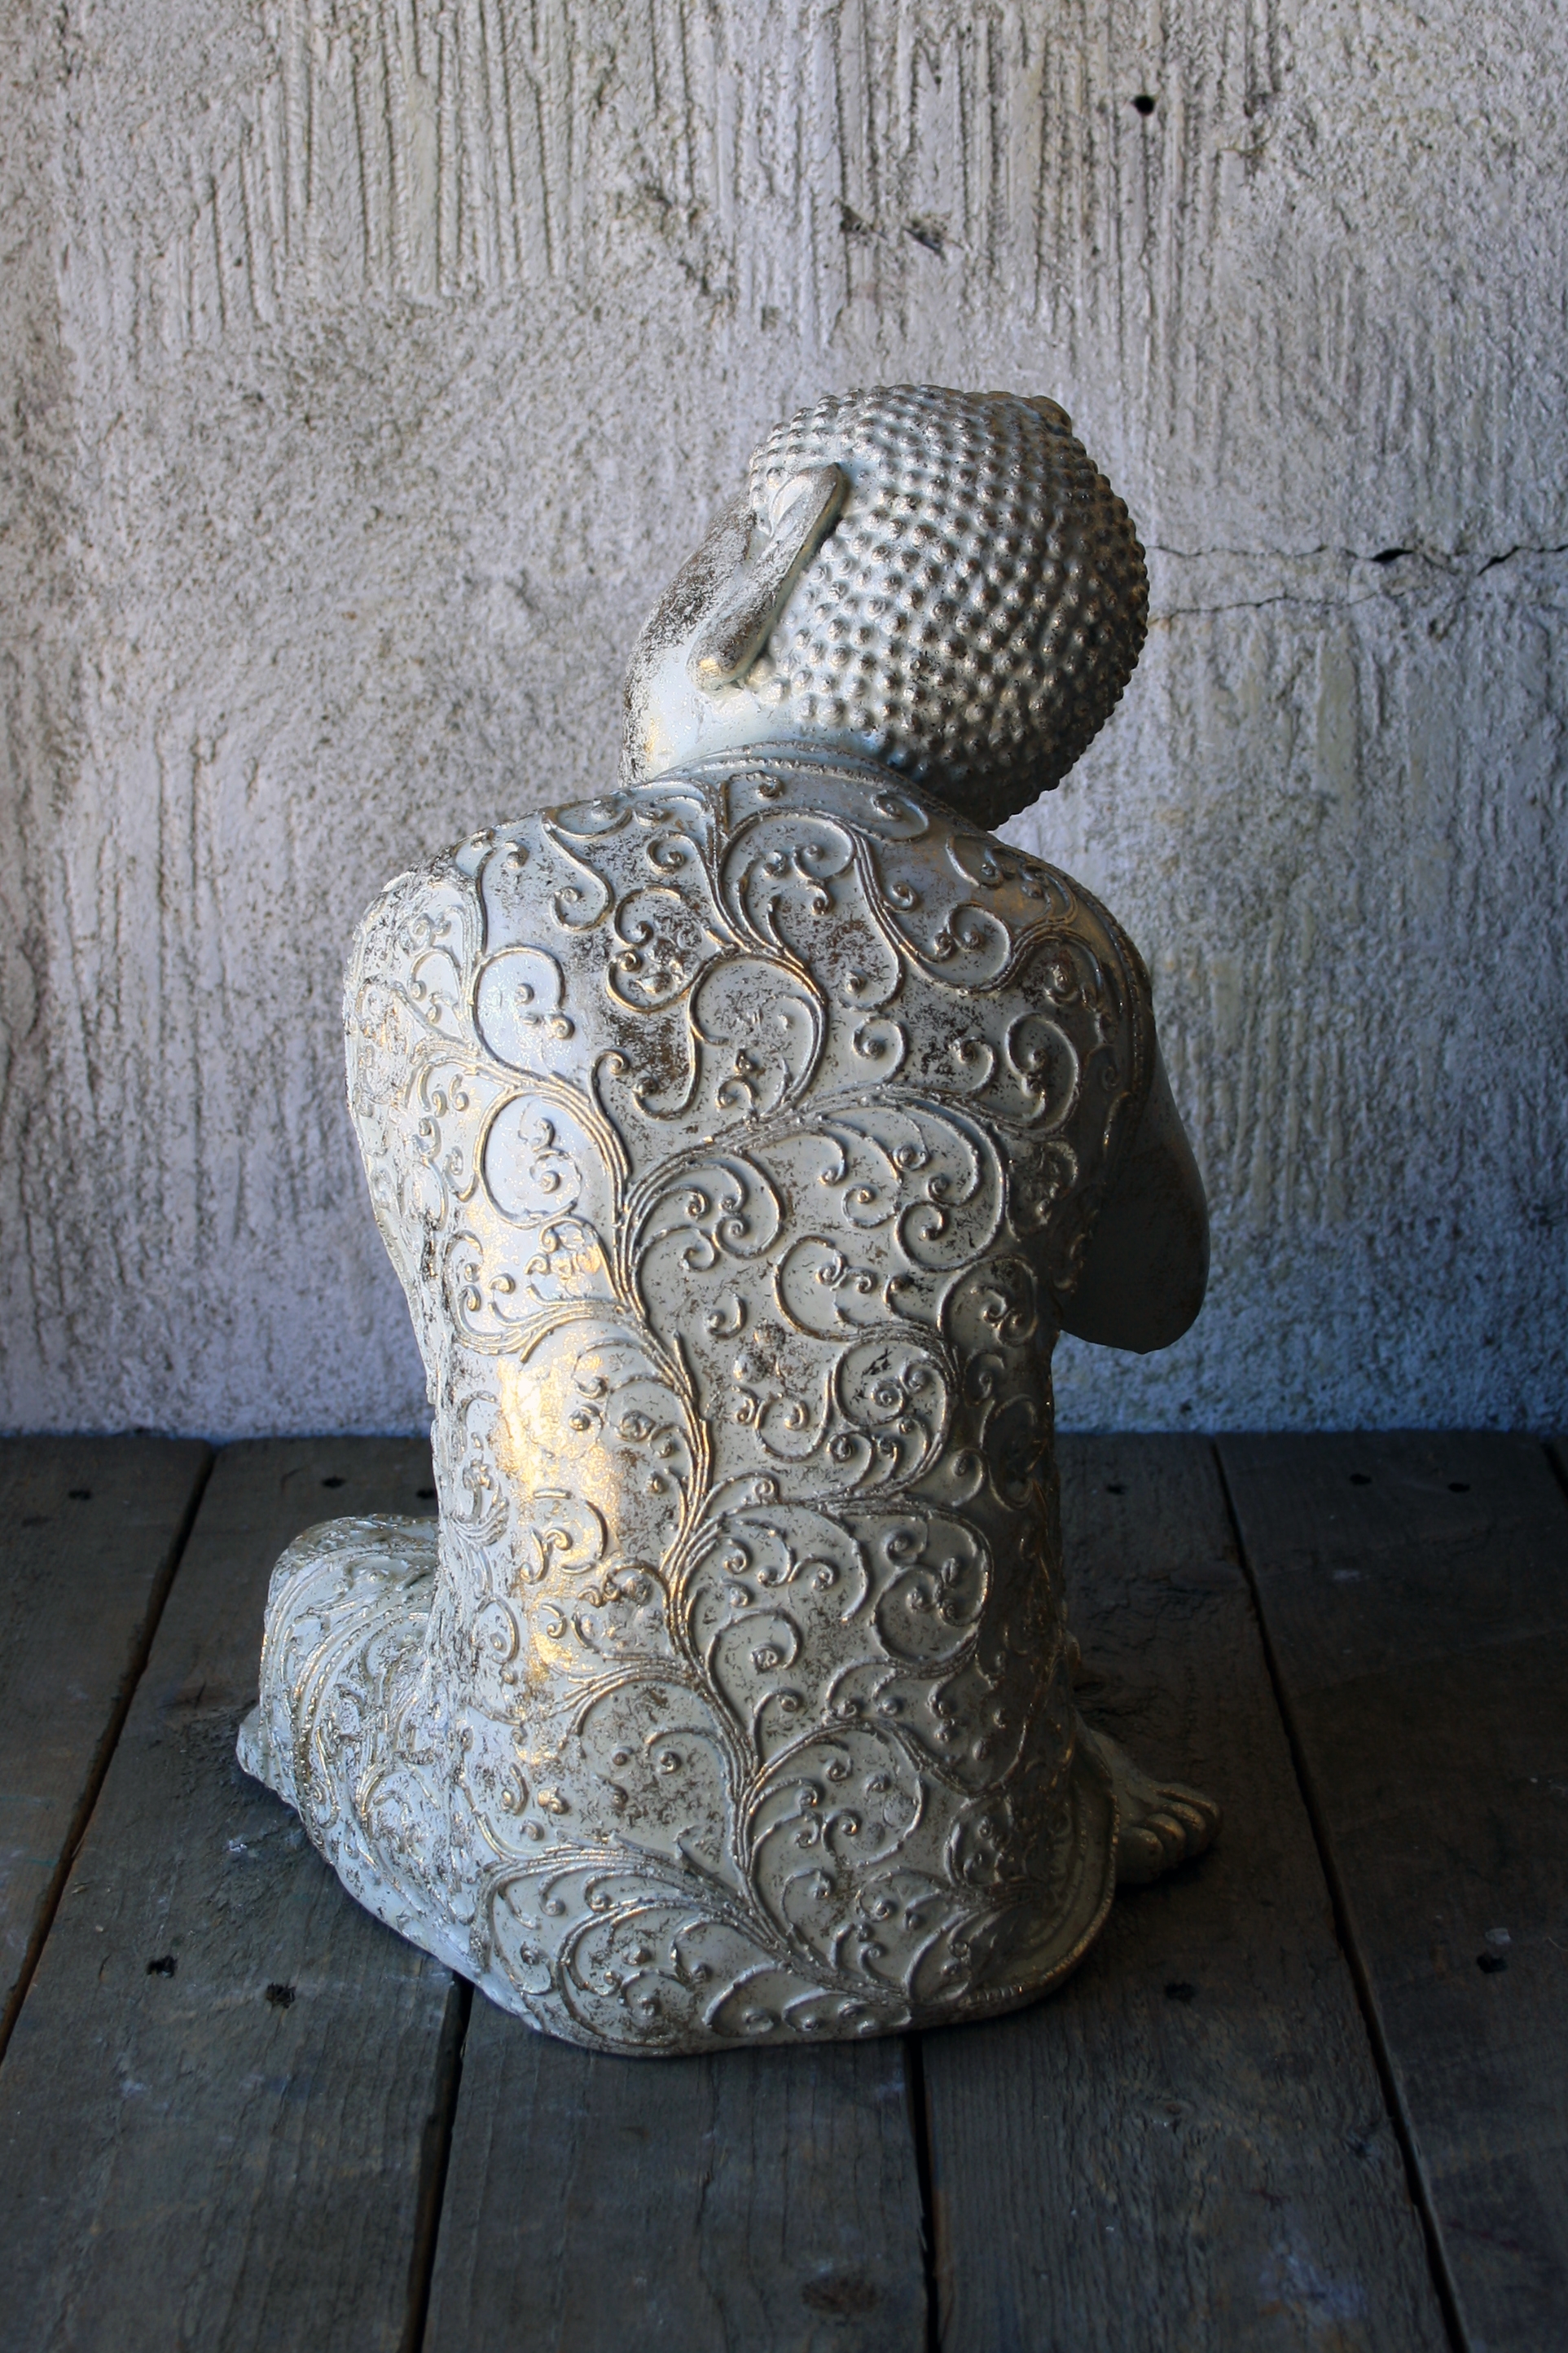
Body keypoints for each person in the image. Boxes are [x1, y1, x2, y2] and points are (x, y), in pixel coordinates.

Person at [240, 386, 1217, 2052]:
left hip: (559, 1896)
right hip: (971, 1892)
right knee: (950, 1580)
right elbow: (1154, 1296)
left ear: (777, 550)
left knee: (335, 1575)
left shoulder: (459, 921)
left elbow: (494, 1386)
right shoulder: (1056, 952)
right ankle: (1047, 1774)